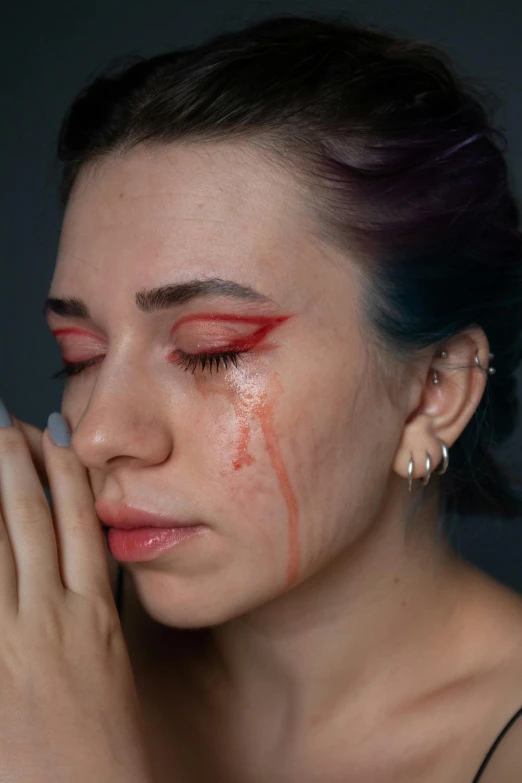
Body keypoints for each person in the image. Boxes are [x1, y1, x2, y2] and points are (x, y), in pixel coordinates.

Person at [37, 12, 522, 782]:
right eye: (81, 354)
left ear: (435, 390)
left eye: (211, 349)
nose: (96, 433)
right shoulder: (27, 665)